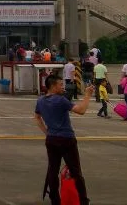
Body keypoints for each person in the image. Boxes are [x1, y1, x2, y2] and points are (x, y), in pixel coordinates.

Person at [35, 75, 93, 205]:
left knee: (53, 170)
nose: (63, 87)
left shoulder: (41, 101)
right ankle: (83, 200)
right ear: (53, 86)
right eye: (60, 84)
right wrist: (88, 95)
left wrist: (47, 132)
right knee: (76, 172)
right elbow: (81, 110)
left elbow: (37, 117)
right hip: (66, 139)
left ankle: (55, 200)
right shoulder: (60, 100)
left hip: (51, 139)